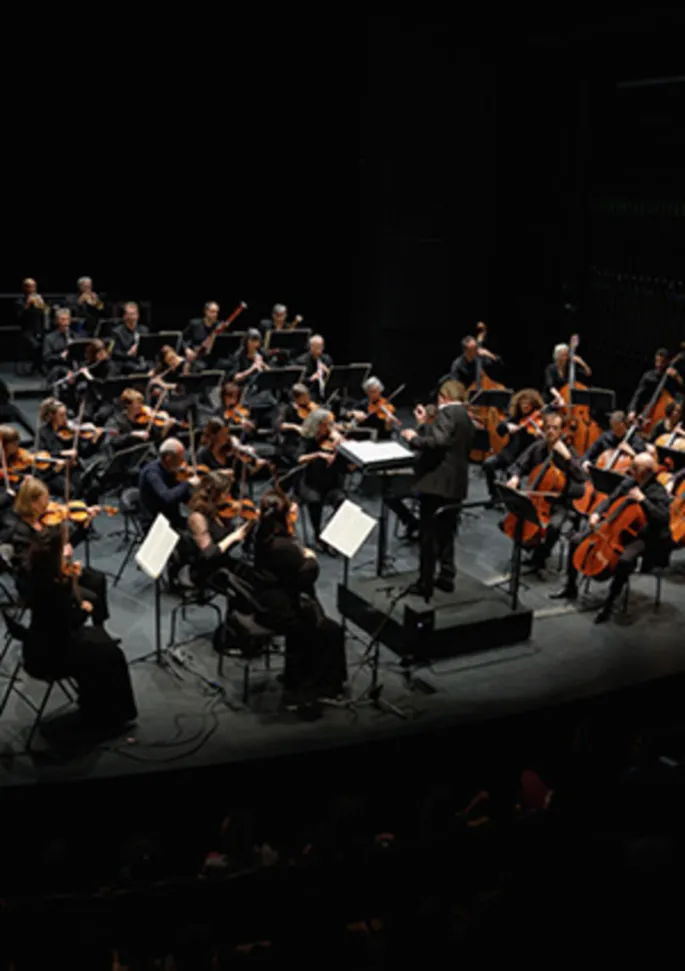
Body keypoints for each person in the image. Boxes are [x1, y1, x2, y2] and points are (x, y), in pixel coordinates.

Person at [21, 526, 136, 734]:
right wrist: (85, 609)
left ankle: (93, 704)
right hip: (52, 655)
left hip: (35, 644)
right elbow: (70, 622)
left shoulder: (32, 573)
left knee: (100, 643)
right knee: (112, 654)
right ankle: (108, 717)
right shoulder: (55, 586)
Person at [253, 489, 347, 713]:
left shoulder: (263, 535)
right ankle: (322, 685)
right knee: (332, 631)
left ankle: (295, 674)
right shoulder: (283, 546)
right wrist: (311, 558)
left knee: (317, 626)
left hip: (270, 599)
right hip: (285, 607)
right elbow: (307, 575)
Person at [551, 453, 672, 623]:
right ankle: (571, 586)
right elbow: (610, 499)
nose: (630, 470)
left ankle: (609, 604)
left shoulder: (658, 492)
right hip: (614, 527)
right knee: (576, 540)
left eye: (634, 468)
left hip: (644, 536)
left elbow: (662, 518)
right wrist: (597, 513)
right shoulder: (629, 482)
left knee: (625, 560)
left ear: (645, 472)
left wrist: (643, 500)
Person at [401, 380, 474, 597]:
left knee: (428, 536)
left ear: (443, 397)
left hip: (436, 484)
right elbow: (448, 443)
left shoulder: (448, 412)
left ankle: (425, 583)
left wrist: (414, 438)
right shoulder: (466, 417)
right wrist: (425, 424)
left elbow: (439, 441)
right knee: (447, 533)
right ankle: (446, 577)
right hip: (456, 484)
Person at [506, 412, 586, 574]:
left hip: (560, 502)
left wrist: (568, 458)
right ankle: (529, 546)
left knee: (554, 527)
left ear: (561, 431)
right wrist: (515, 477)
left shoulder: (569, 450)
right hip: (536, 497)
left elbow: (582, 477)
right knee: (518, 516)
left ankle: (540, 557)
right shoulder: (538, 447)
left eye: (555, 428)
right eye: (548, 427)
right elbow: (519, 464)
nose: (550, 431)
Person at [185, 471, 249, 588]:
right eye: (226, 493)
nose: (229, 497)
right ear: (215, 495)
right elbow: (209, 554)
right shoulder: (197, 518)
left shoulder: (219, 508)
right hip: (208, 570)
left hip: (223, 560)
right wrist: (233, 537)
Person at [482, 388, 545, 507]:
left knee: (512, 473)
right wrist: (506, 426)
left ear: (534, 404)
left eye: (528, 403)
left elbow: (547, 441)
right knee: (488, 464)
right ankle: (494, 495)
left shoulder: (540, 420)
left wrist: (540, 436)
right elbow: (499, 429)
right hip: (508, 454)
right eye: (523, 403)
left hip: (526, 459)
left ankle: (514, 504)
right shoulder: (516, 418)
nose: (525, 406)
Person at [297, 408, 346, 550]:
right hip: (310, 483)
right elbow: (299, 458)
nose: (329, 428)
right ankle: (318, 534)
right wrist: (318, 454)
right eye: (326, 424)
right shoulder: (307, 438)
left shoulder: (332, 437)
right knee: (314, 501)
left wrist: (341, 443)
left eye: (330, 424)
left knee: (342, 502)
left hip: (331, 483)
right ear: (317, 425)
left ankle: (331, 535)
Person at [138, 437, 199, 531]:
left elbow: (180, 494)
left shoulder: (171, 469)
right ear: (168, 458)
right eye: (180, 458)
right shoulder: (152, 473)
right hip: (156, 521)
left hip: (171, 515)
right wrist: (188, 483)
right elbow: (168, 497)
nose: (183, 462)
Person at [229, 329, 276, 428]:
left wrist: (263, 365)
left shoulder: (261, 352)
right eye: (252, 341)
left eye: (257, 341)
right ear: (247, 342)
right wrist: (252, 368)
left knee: (272, 402)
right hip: (246, 387)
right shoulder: (239, 355)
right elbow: (235, 378)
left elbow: (270, 371)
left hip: (260, 386)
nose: (255, 344)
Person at [628, 347, 684, 422]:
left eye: (662, 362)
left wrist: (677, 377)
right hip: (646, 413)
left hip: (665, 419)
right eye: (657, 361)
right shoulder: (648, 376)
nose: (659, 364)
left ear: (668, 362)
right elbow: (637, 395)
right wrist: (632, 410)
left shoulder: (673, 378)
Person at [580, 411, 648, 471]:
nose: (616, 432)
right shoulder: (605, 437)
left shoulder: (636, 441)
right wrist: (585, 462)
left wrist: (631, 452)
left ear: (625, 425)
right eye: (613, 429)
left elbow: (645, 465)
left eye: (618, 429)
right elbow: (586, 455)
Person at [348, 376, 400, 441]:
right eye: (371, 392)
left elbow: (388, 431)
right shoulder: (363, 404)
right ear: (366, 392)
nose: (373, 394)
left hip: (382, 438)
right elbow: (348, 413)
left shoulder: (387, 404)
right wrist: (354, 413)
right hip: (365, 437)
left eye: (375, 391)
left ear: (380, 391)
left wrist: (388, 423)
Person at [15, 277, 46, 372]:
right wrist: (27, 305)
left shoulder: (38, 299)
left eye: (34, 286)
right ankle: (37, 365)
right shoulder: (19, 301)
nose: (33, 289)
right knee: (36, 345)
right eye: (30, 287)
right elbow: (19, 317)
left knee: (48, 342)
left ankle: (39, 365)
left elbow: (45, 314)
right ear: (25, 288)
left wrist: (43, 306)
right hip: (26, 331)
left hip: (39, 329)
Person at [112, 302, 148, 375]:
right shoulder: (116, 332)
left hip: (141, 360)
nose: (133, 317)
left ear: (138, 315)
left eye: (134, 314)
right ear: (125, 316)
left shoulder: (144, 330)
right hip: (125, 362)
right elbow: (114, 352)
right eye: (130, 314)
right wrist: (128, 353)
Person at [294, 335, 332, 401]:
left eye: (321, 347)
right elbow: (297, 382)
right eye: (317, 347)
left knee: (337, 400)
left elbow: (332, 379)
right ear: (311, 347)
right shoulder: (301, 361)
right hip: (309, 392)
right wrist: (311, 378)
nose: (320, 350)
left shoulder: (326, 359)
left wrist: (328, 372)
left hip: (325, 391)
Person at [42, 308, 72, 385]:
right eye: (63, 320)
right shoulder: (50, 338)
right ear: (57, 321)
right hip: (57, 368)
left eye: (68, 319)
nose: (66, 323)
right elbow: (47, 357)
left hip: (73, 367)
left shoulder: (75, 336)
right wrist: (60, 356)